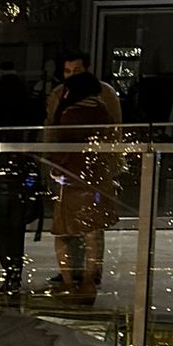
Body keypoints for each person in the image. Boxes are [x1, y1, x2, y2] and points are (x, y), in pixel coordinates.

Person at [42, 51, 120, 307]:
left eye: (76, 71)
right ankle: (78, 277)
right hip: (74, 172)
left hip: (80, 172)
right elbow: (50, 130)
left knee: (81, 229)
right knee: (82, 228)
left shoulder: (103, 94)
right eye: (67, 71)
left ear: (87, 70)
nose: (71, 76)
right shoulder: (59, 95)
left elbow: (113, 131)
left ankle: (83, 278)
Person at [0, 69, 39, 296]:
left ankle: (9, 272)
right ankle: (14, 275)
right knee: (15, 231)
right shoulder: (29, 113)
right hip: (19, 183)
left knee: (1, 232)